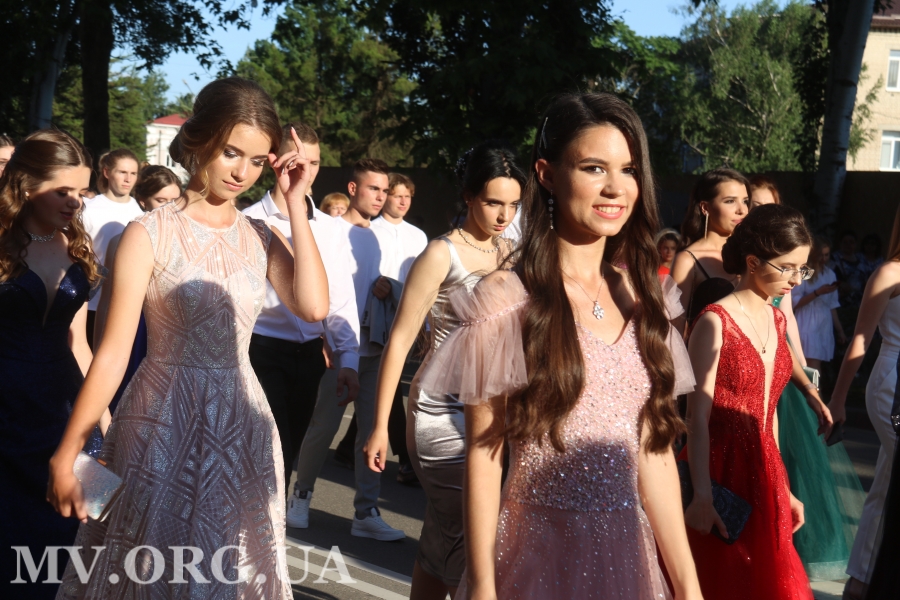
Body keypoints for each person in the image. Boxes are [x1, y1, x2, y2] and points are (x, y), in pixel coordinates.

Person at [47, 77, 328, 599]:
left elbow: (313, 308)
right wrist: (69, 451)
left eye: (258, 161)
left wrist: (296, 203)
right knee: (151, 573)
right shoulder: (147, 232)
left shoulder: (261, 235)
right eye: (231, 152)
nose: (242, 172)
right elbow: (111, 355)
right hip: (160, 424)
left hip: (243, 424)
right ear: (199, 139)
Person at [418, 93, 702, 599]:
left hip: (627, 561)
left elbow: (654, 452)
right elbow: (484, 454)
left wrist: (689, 585)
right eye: (594, 168)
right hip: (535, 557)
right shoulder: (506, 299)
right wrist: (481, 585)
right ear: (546, 174)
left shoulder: (648, 299)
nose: (615, 187)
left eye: (629, 170)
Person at [364, 141, 523, 599]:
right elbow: (399, 340)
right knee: (469, 534)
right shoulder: (441, 253)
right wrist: (380, 426)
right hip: (441, 409)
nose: (504, 215)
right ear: (468, 196)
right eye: (493, 202)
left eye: (513, 204)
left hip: (495, 410)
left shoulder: (514, 253)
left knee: (443, 534)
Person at [683, 203, 832, 600]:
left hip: (763, 468)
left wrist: (783, 486)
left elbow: (769, 410)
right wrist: (702, 493)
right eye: (787, 268)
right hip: (718, 467)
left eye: (803, 269)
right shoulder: (715, 321)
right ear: (752, 262)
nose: (796, 280)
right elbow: (696, 418)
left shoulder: (776, 319)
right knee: (723, 579)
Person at [0, 130, 107, 599]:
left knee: (83, 535)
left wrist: (104, 417)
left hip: (66, 406)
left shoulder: (76, 244)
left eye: (81, 191)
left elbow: (79, 342)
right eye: (63, 190)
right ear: (26, 184)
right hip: (7, 411)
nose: (75, 202)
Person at [749, 180, 865, 582]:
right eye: (751, 203)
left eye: (765, 204)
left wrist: (802, 372)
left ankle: (789, 542)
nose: (754, 210)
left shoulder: (784, 267)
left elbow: (787, 318)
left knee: (793, 454)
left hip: (781, 362)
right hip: (746, 369)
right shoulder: (747, 265)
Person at [243, 121, 361, 503]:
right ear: (275, 161)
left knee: (288, 452)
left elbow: (340, 296)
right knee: (268, 450)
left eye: (314, 162)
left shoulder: (330, 227)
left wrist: (348, 357)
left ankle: (271, 525)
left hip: (310, 355)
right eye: (298, 161)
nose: (306, 170)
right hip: (260, 350)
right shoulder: (248, 220)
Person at [290, 158, 406, 541]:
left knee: (371, 431)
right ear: (353, 189)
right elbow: (318, 285)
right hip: (338, 348)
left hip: (374, 348)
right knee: (322, 426)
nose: (381, 196)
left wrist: (385, 287)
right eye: (374, 188)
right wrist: (323, 336)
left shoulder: (381, 236)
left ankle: (366, 511)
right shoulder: (330, 229)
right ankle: (301, 496)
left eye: (385, 190)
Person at [336, 172, 428, 482]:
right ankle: (406, 457)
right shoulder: (370, 231)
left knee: (379, 388)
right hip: (374, 321)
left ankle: (348, 446)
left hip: (406, 316)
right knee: (383, 385)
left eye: (408, 196)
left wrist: (426, 326)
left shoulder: (418, 236)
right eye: (396, 195)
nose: (402, 201)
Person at [829, 205, 900, 600]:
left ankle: (861, 580)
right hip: (892, 382)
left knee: (887, 482)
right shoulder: (890, 272)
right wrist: (838, 400)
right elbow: (860, 338)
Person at [671, 168, 749, 329]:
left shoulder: (751, 253)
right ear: (705, 208)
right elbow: (675, 329)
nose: (741, 210)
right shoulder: (688, 260)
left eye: (745, 201)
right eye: (730, 201)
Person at [80, 148, 142, 347]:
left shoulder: (141, 214)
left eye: (133, 173)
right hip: (90, 302)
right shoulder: (88, 208)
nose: (128, 179)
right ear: (107, 172)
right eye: (122, 172)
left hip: (125, 305)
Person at [793, 239, 847, 371]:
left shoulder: (830, 274)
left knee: (815, 366)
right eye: (820, 255)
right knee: (812, 365)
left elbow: (832, 305)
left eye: (826, 255)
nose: (823, 259)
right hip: (807, 321)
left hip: (824, 322)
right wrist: (817, 293)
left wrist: (840, 331)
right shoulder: (804, 273)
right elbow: (794, 302)